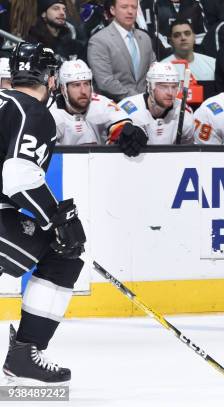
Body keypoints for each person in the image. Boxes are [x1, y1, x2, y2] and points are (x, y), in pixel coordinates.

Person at [0, 42, 86, 384]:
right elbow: (18, 176)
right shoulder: (33, 112)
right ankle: (25, 353)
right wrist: (57, 218)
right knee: (64, 253)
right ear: (51, 79)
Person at [49, 59, 148, 157]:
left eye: (86, 84)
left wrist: (132, 134)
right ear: (63, 89)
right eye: (76, 85)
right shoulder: (51, 114)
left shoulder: (101, 103)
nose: (83, 91)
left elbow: (122, 125)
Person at [87, 0, 157, 101]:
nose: (130, 11)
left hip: (148, 105)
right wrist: (140, 99)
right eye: (124, 7)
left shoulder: (145, 37)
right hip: (115, 106)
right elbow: (105, 82)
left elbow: (154, 71)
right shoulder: (99, 40)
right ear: (112, 10)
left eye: (134, 7)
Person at [118, 62, 195, 144]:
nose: (170, 92)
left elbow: (188, 151)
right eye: (163, 86)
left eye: (174, 87)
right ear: (150, 87)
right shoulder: (126, 111)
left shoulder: (185, 113)